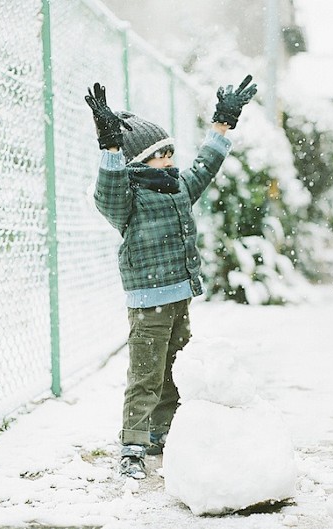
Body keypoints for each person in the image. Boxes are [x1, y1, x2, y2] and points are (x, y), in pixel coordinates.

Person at [85, 75, 257, 479]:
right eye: (159, 154)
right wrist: (110, 147)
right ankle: (132, 444)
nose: (168, 160)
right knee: (145, 374)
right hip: (148, 302)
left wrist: (221, 126)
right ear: (137, 162)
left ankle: (163, 432)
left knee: (174, 369)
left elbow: (204, 167)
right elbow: (108, 190)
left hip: (180, 297)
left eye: (169, 151)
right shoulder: (125, 198)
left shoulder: (177, 186)